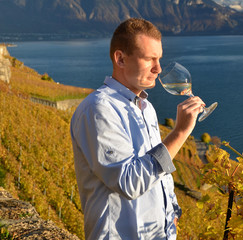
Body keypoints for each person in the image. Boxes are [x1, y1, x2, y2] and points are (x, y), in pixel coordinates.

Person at [70, 18, 205, 240]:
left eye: (159, 58)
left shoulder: (146, 107)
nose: (158, 68)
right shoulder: (98, 109)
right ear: (120, 59)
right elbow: (129, 183)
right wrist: (180, 132)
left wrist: (172, 212)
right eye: (150, 59)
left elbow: (160, 173)